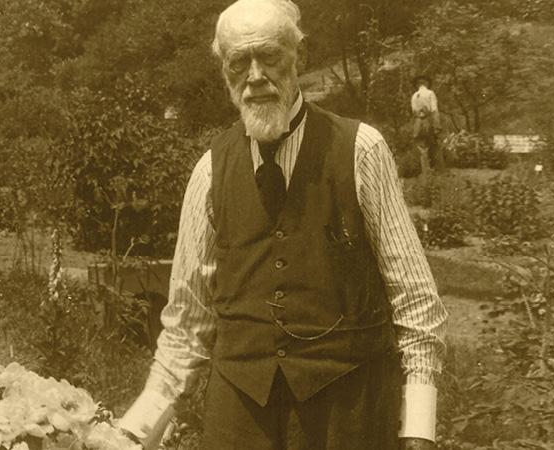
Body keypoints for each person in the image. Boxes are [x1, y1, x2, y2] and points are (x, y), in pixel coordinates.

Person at [119, 1, 448, 449]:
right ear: (225, 73)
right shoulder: (209, 172)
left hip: (346, 416)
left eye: (269, 56)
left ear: (301, 57)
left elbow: (416, 303)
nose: (255, 76)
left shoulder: (360, 151)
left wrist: (419, 430)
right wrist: (135, 430)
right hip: (240, 421)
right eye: (239, 62)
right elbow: (186, 324)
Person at [411, 75, 443, 170]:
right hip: (428, 121)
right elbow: (434, 110)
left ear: (417, 84)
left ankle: (425, 170)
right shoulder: (430, 93)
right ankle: (439, 169)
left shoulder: (414, 96)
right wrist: (437, 125)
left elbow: (414, 111)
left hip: (417, 122)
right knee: (434, 145)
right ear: (426, 83)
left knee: (421, 146)